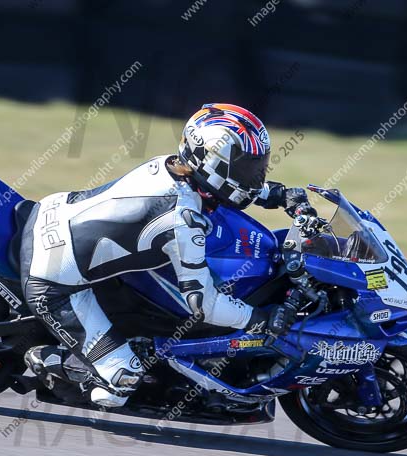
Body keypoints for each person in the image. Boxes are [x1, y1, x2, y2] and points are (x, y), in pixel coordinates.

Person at [20, 103, 314, 407]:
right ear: (211, 161)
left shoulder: (175, 167)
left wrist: (280, 195)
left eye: (257, 166)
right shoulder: (182, 219)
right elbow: (204, 305)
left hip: (53, 213)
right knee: (123, 382)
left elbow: (228, 185)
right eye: (247, 168)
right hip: (53, 281)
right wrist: (260, 319)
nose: (254, 175)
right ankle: (49, 358)